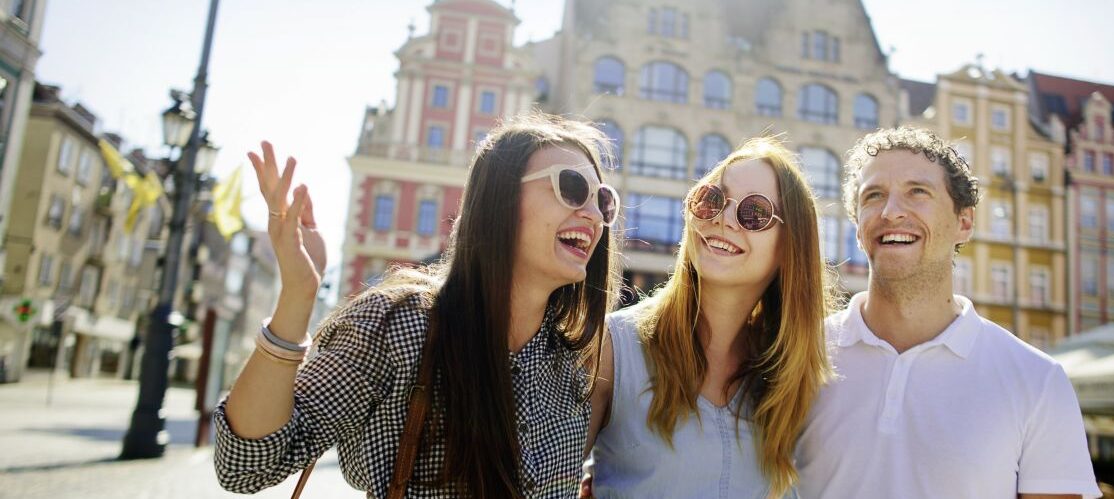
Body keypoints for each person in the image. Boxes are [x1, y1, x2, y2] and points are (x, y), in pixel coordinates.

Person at [213, 112, 622, 498]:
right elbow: (244, 464)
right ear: (500, 199)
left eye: (603, 201)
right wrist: (297, 297)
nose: (593, 215)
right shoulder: (401, 326)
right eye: (571, 188)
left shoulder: (573, 364)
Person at [795, 127, 1101, 498]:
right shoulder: (799, 356)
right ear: (858, 229)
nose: (891, 212)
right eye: (873, 196)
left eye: (917, 192)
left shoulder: (1038, 382)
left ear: (964, 222)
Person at [585, 137, 833, 498]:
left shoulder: (803, 381)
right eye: (711, 199)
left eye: (755, 213)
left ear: (790, 245)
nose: (724, 219)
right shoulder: (613, 348)